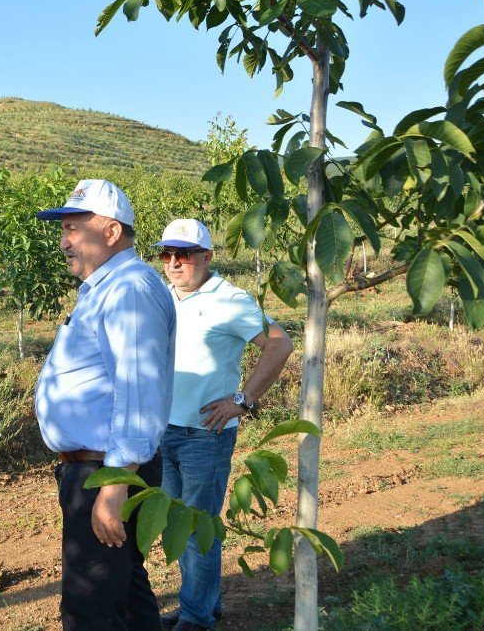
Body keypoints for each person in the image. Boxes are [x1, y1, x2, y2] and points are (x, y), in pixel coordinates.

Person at [34, 179, 176, 630]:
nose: (64, 242)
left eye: (73, 229)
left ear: (111, 232)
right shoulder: (107, 287)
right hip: (98, 469)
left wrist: (113, 488)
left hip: (107, 473)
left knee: (92, 609)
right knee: (126, 595)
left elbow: (138, 395)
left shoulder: (128, 290)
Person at [153, 219, 294, 631]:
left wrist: (243, 400)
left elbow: (280, 344)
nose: (175, 262)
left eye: (185, 254)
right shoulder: (162, 296)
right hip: (163, 432)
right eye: (167, 254)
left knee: (199, 527)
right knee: (177, 525)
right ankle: (201, 605)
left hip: (204, 436)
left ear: (208, 256)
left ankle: (196, 618)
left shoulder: (232, 300)